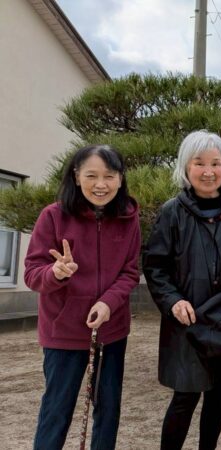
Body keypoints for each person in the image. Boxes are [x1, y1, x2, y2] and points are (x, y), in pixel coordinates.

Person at [142, 130, 221, 450]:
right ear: (186, 167)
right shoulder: (172, 211)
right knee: (185, 396)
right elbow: (155, 266)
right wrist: (173, 301)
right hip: (187, 319)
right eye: (199, 163)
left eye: (216, 163)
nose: (208, 171)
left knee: (218, 393)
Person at [25, 144, 141, 450]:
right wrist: (56, 272)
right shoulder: (53, 216)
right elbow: (32, 273)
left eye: (109, 176)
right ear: (76, 177)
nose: (101, 184)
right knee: (56, 411)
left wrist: (107, 302)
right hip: (63, 331)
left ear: (120, 179)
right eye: (91, 175)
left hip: (111, 330)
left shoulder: (128, 217)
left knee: (108, 410)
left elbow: (130, 272)